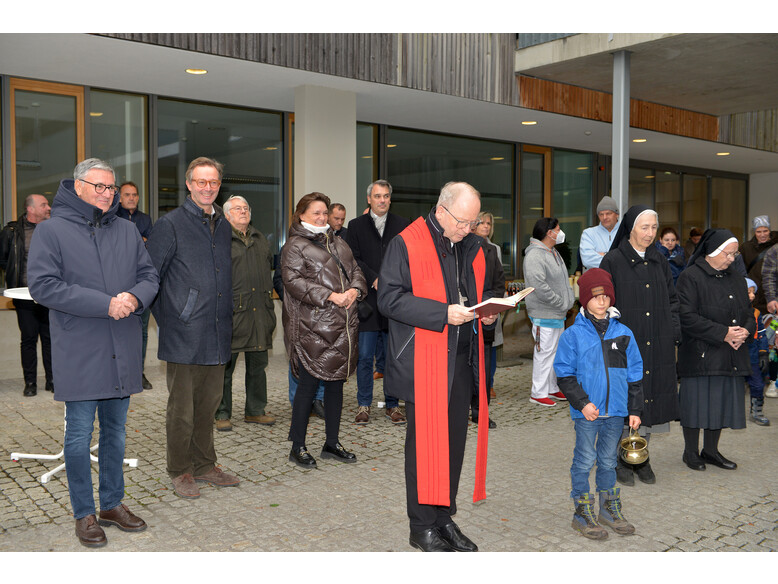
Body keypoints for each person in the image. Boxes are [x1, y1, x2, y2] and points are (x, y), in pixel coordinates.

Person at [27, 158, 159, 548]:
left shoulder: (127, 229)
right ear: (78, 186)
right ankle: (84, 512)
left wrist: (133, 298)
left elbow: (149, 276)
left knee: (116, 432)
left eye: (111, 187)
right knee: (79, 435)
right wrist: (105, 304)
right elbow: (44, 286)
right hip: (81, 346)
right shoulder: (51, 231)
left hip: (121, 343)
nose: (106, 193)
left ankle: (112, 505)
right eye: (98, 186)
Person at [378, 181, 497, 552]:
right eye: (463, 221)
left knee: (453, 444)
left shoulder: (470, 245)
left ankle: (444, 517)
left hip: (461, 358)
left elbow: (475, 292)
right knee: (425, 446)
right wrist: (442, 313)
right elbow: (389, 299)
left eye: (473, 222)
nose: (469, 228)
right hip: (424, 359)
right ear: (442, 210)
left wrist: (488, 312)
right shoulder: (406, 242)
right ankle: (421, 525)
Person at [146, 156, 240, 499]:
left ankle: (204, 465)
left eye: (213, 182)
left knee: (209, 405)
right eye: (201, 182)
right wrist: (174, 317)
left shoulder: (223, 224)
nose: (207, 188)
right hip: (184, 334)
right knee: (182, 408)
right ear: (189, 184)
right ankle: (180, 469)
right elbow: (149, 277)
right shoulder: (169, 225)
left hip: (217, 332)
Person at [554, 268, 643, 540]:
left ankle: (608, 508)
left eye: (606, 296)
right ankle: (582, 511)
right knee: (584, 460)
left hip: (616, 412)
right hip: (587, 414)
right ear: (584, 300)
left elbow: (635, 373)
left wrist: (634, 409)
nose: (601, 302)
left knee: (607, 460)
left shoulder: (624, 332)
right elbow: (564, 374)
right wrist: (582, 404)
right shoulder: (573, 334)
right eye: (595, 297)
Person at [282, 192, 367, 469]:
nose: (321, 217)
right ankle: (298, 446)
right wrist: (331, 296)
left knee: (335, 386)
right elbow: (293, 282)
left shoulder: (338, 241)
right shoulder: (295, 245)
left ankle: (332, 442)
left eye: (324, 212)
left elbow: (355, 270)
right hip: (312, 327)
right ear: (301, 215)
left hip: (341, 326)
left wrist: (355, 289)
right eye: (315, 213)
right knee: (307, 387)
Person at [600, 205, 680, 486]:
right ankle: (621, 459)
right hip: (624, 344)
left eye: (654, 228)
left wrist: (673, 333)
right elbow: (603, 303)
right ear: (631, 228)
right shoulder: (612, 260)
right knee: (625, 398)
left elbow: (672, 301)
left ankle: (641, 456)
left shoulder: (660, 261)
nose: (649, 233)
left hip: (657, 341)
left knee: (649, 399)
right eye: (644, 227)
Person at [676, 229, 753, 471]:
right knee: (696, 404)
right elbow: (686, 317)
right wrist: (724, 333)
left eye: (734, 254)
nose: (732, 259)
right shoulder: (690, 277)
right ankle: (690, 452)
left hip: (730, 352)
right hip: (701, 352)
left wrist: (745, 332)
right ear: (712, 252)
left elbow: (749, 313)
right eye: (728, 254)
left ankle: (710, 450)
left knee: (719, 403)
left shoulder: (737, 278)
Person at [345, 179, 410, 425]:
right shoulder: (356, 225)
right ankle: (364, 405)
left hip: (394, 302)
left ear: (390, 199)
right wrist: (373, 279)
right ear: (369, 200)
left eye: (386, 196)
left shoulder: (402, 224)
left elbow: (407, 259)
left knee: (394, 357)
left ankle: (392, 405)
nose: (382, 200)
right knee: (364, 357)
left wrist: (390, 281)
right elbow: (353, 259)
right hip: (368, 303)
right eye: (378, 196)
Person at [215, 195, 277, 432]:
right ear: (227, 215)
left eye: (246, 208)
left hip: (260, 312)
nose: (243, 212)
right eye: (237, 209)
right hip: (233, 313)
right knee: (225, 370)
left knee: (258, 366)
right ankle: (221, 412)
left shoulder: (260, 238)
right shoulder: (221, 239)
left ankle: (255, 411)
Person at [0, 194, 54, 396]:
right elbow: (5, 260)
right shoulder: (12, 232)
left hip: (49, 294)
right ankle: (30, 382)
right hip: (23, 296)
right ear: (31, 209)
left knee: (50, 338)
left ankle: (52, 380)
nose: (48, 207)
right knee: (29, 339)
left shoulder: (52, 230)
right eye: (44, 204)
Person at [523, 217, 575, 407]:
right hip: (544, 313)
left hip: (557, 314)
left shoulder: (552, 252)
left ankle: (551, 387)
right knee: (544, 353)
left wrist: (566, 302)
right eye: (558, 229)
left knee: (554, 353)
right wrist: (561, 303)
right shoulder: (535, 255)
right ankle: (537, 392)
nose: (560, 233)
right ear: (549, 233)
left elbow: (562, 280)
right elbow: (539, 286)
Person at [273, 245, 326, 418]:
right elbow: (279, 279)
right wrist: (291, 302)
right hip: (296, 313)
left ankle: (318, 400)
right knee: (297, 356)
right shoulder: (289, 248)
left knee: (320, 355)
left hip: (321, 312)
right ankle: (297, 402)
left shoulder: (324, 246)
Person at [117, 181, 154, 390]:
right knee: (120, 329)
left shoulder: (145, 219)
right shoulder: (113, 218)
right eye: (127, 195)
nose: (131, 198)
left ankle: (138, 372)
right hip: (119, 284)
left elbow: (151, 245)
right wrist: (140, 240)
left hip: (141, 284)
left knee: (142, 331)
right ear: (120, 198)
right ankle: (121, 371)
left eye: (135, 195)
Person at [470, 211, 505, 427]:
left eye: (488, 223)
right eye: (481, 222)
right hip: (464, 318)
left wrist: (490, 309)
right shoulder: (462, 248)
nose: (485, 226)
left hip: (486, 320)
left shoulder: (491, 251)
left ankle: (480, 413)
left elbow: (498, 283)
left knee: (483, 370)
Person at [740, 215, 778, 315]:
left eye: (765, 231)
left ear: (769, 230)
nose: (762, 235)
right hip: (753, 295)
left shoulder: (775, 247)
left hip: (771, 294)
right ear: (754, 232)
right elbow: (740, 270)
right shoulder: (746, 247)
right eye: (758, 231)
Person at [745, 278, 770, 426]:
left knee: (757, 384)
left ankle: (757, 411)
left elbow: (762, 334)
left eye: (753, 292)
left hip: (753, 354)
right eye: (748, 292)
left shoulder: (756, 312)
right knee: (731, 386)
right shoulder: (730, 311)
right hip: (735, 355)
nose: (752, 296)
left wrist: (763, 352)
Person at [579, 196, 620, 270]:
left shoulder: (627, 233)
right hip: (598, 281)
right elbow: (587, 260)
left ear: (617, 215)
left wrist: (604, 254)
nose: (604, 217)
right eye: (601, 214)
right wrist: (617, 259)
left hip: (622, 281)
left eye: (608, 213)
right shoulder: (588, 234)